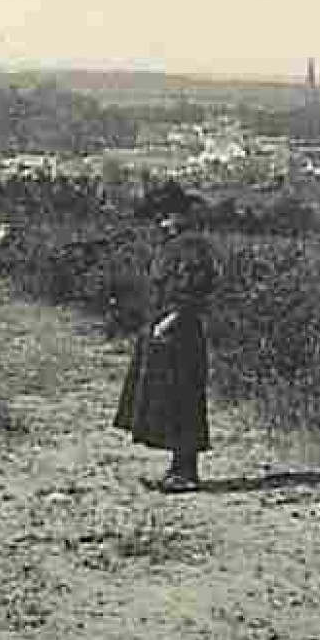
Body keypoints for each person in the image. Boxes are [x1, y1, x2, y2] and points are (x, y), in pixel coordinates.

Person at [113, 190, 217, 493]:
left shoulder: (193, 248)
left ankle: (186, 473)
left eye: (170, 215)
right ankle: (177, 469)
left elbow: (196, 291)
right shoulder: (173, 246)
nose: (164, 221)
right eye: (163, 216)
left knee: (184, 399)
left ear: (185, 216)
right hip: (165, 330)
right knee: (169, 399)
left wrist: (171, 321)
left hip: (181, 331)